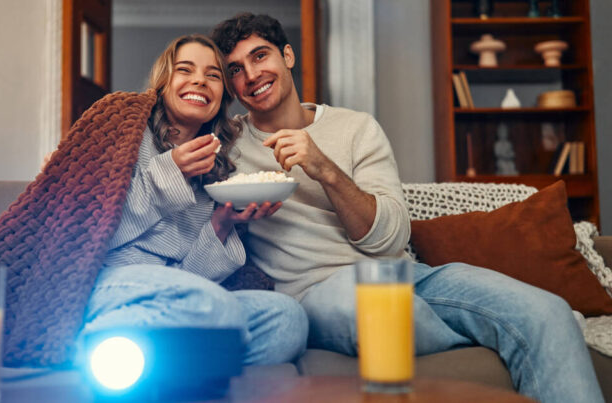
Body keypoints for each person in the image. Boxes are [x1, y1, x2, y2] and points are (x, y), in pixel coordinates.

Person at [210, 13, 604, 402]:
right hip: (318, 291)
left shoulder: (356, 128)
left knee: (549, 312)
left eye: (260, 56)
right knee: (384, 315)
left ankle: (516, 331)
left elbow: (390, 237)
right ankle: (502, 336)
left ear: (288, 56)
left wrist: (324, 168)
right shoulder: (228, 147)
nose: (251, 74)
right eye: (235, 70)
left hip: (405, 274)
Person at [76, 34, 307, 366]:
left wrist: (220, 225)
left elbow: (190, 277)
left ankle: (159, 362)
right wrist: (169, 171)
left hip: (183, 297)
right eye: (185, 69)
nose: (200, 79)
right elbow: (88, 234)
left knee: (287, 318)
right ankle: (95, 349)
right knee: (213, 305)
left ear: (222, 96)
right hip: (111, 283)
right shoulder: (124, 133)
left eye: (213, 75)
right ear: (163, 82)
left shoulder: (216, 170)